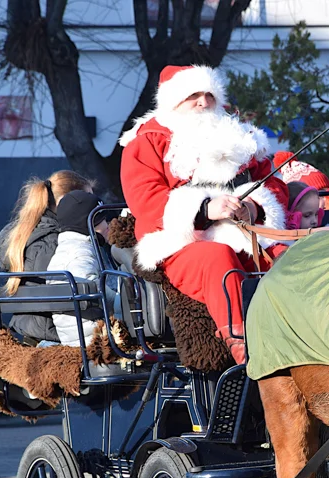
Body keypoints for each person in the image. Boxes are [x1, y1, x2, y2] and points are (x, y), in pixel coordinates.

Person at [120, 65, 288, 367]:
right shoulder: (148, 140)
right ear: (174, 102)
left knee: (288, 257)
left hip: (248, 233)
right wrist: (204, 210)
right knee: (216, 257)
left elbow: (273, 182)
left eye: (209, 94)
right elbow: (144, 198)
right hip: (181, 243)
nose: (203, 102)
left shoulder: (242, 135)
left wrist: (254, 206)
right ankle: (246, 354)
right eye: (192, 96)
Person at [0, 170, 95, 343]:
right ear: (67, 202)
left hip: (26, 331)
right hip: (59, 335)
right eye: (88, 201)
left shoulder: (14, 234)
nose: (94, 208)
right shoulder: (62, 241)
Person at [45, 191, 108, 347]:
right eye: (99, 220)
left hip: (82, 337)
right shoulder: (80, 253)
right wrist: (129, 298)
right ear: (85, 225)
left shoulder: (67, 250)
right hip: (95, 340)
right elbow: (94, 292)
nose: (107, 225)